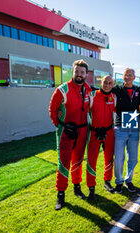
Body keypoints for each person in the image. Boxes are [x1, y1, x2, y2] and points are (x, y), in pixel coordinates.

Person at [49, 59, 92, 210]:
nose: (79, 75)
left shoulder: (89, 89)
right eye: (76, 72)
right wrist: (60, 125)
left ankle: (77, 187)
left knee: (78, 161)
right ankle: (60, 195)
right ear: (72, 72)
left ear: (86, 74)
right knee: (63, 163)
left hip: (82, 130)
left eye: (82, 72)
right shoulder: (62, 89)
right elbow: (52, 109)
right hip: (65, 132)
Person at [111, 68, 140, 193]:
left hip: (134, 127)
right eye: (125, 75)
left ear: (134, 77)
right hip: (120, 127)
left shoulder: (138, 90)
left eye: (130, 75)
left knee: (133, 157)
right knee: (118, 157)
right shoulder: (117, 89)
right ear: (122, 77)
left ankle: (128, 180)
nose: (128, 77)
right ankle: (119, 182)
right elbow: (102, 91)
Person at [86, 75, 116, 200]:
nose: (107, 85)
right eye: (105, 82)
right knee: (91, 160)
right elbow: (79, 108)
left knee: (109, 158)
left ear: (113, 85)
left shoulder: (114, 97)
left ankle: (107, 181)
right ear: (101, 82)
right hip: (94, 133)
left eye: (110, 83)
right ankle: (91, 187)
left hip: (109, 132)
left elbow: (120, 111)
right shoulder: (92, 95)